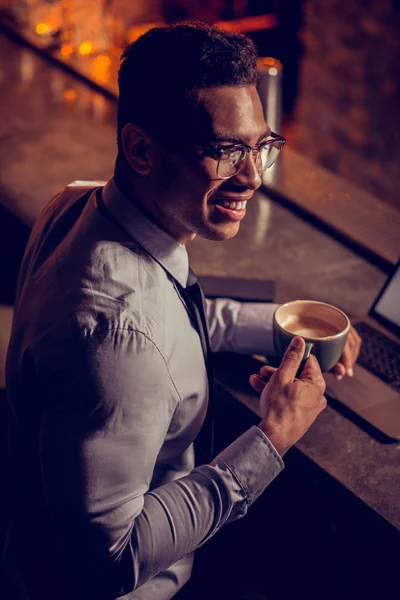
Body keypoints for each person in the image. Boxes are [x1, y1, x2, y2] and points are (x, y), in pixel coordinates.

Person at [3, 21, 361, 600]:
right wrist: (272, 437)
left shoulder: (76, 204)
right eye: (224, 151)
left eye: (259, 147)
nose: (251, 177)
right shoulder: (119, 336)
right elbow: (105, 562)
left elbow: (166, 310)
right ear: (142, 149)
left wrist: (285, 331)